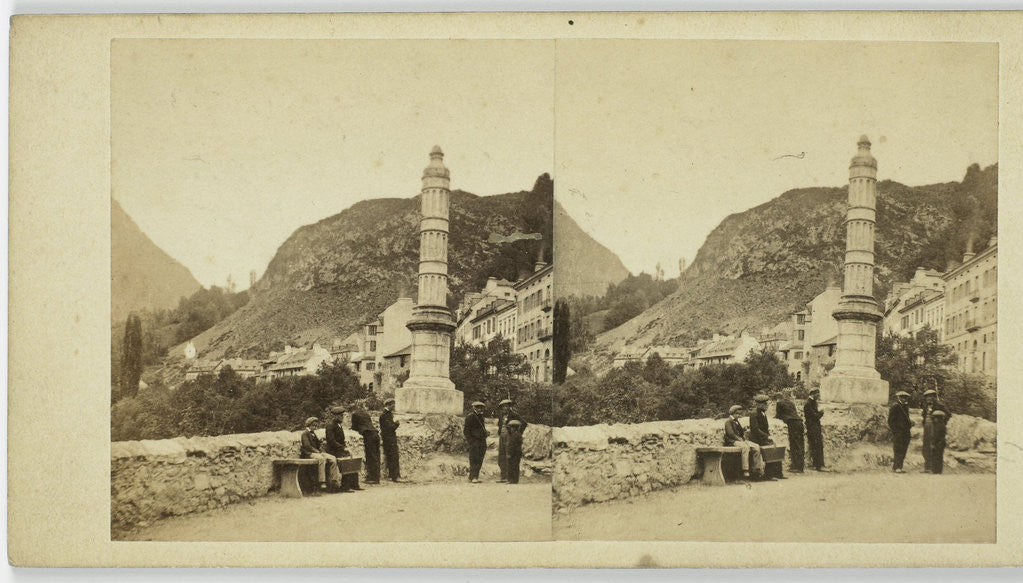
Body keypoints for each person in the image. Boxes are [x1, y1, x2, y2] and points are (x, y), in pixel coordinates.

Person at [299, 416, 342, 492]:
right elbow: (307, 446)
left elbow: (318, 444)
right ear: (309, 425)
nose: (315, 427)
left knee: (333, 458)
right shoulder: (305, 434)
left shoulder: (313, 433)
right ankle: (322, 481)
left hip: (317, 452)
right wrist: (317, 451)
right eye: (313, 425)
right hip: (309, 454)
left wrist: (321, 443)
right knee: (322, 459)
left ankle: (334, 481)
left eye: (316, 425)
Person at [324, 406, 362, 492]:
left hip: (339, 450)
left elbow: (342, 440)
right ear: (335, 416)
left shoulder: (339, 426)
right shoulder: (330, 426)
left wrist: (346, 448)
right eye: (340, 416)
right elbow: (331, 441)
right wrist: (343, 448)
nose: (342, 417)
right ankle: (345, 486)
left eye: (342, 416)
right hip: (332, 450)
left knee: (353, 458)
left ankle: (354, 484)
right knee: (346, 460)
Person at [723, 404, 765, 481]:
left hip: (741, 440)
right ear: (733, 413)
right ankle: (745, 470)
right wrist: (740, 440)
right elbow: (731, 434)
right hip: (733, 441)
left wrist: (745, 432)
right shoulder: (728, 422)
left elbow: (742, 432)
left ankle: (757, 470)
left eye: (740, 414)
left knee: (756, 446)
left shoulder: (736, 421)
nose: (739, 416)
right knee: (745, 447)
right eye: (738, 414)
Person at [748, 394, 785, 479]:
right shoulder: (754, 414)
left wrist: (769, 437)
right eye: (765, 404)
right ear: (759, 404)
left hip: (762, 438)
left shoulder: (762, 413)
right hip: (756, 439)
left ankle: (778, 473)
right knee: (771, 448)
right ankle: (768, 475)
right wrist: (767, 437)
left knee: (777, 447)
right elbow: (755, 430)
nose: (767, 405)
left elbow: (765, 428)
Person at [920, 389, 952, 473]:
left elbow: (948, 414)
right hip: (927, 427)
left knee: (934, 446)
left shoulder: (939, 405)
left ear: (934, 397)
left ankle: (933, 468)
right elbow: (924, 416)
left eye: (930, 397)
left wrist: (942, 423)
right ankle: (927, 467)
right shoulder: (925, 406)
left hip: (935, 428)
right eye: (927, 397)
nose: (929, 399)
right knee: (926, 446)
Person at [497, 398, 527, 483]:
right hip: (501, 436)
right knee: (501, 456)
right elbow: (499, 425)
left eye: (507, 406)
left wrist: (517, 433)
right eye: (503, 407)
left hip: (510, 437)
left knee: (508, 455)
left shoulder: (514, 415)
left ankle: (509, 477)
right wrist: (500, 432)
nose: (505, 408)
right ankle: (503, 477)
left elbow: (524, 423)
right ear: (501, 408)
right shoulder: (501, 416)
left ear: (509, 407)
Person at [775, 389, 805, 473]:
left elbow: (778, 415)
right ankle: (800, 466)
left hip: (792, 423)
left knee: (794, 445)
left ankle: (796, 467)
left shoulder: (779, 403)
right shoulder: (791, 403)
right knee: (800, 444)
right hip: (799, 422)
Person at [351, 407, 381, 484]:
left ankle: (373, 478)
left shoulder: (354, 414)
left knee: (371, 456)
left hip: (368, 435)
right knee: (376, 456)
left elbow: (354, 426)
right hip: (375, 434)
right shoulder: (366, 414)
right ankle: (377, 477)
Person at [887, 390, 913, 473]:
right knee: (898, 449)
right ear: (899, 397)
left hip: (906, 432)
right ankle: (896, 467)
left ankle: (899, 467)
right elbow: (890, 421)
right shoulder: (895, 407)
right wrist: (895, 431)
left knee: (904, 449)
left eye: (905, 397)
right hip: (898, 432)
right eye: (902, 397)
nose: (904, 399)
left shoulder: (906, 407)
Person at [464, 401, 489, 483]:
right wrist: (471, 441)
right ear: (474, 408)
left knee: (480, 459)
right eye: (478, 407)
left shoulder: (481, 417)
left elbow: (481, 428)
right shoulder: (470, 417)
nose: (480, 409)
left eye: (481, 407)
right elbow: (466, 431)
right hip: (474, 441)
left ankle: (475, 476)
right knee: (473, 459)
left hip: (482, 441)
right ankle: (472, 477)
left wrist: (485, 432)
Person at [379, 398, 403, 482]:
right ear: (388, 405)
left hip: (390, 439)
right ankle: (394, 476)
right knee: (393, 457)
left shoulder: (388, 414)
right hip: (388, 440)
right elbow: (390, 428)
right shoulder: (384, 415)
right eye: (393, 404)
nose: (394, 406)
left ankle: (395, 475)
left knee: (394, 457)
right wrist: (397, 423)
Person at [803, 387, 826, 471]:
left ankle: (818, 465)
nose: (818, 395)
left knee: (818, 446)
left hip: (815, 427)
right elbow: (814, 416)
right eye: (817, 393)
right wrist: (821, 413)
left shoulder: (813, 403)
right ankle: (818, 466)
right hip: (812, 428)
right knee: (816, 446)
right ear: (812, 393)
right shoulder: (808, 404)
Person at [928, 409, 948, 474]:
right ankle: (935, 469)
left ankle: (937, 470)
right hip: (937, 442)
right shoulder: (936, 425)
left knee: (938, 456)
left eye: (936, 418)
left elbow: (939, 436)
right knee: (935, 456)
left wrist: (935, 443)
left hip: (939, 443)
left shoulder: (941, 426)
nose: (935, 419)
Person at [506, 419, 525, 484]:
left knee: (512, 466)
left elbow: (512, 446)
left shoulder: (514, 435)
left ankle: (512, 480)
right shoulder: (519, 435)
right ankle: (514, 480)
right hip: (517, 452)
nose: (511, 429)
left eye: (511, 428)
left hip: (514, 453)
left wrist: (509, 453)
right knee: (515, 466)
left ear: (514, 428)